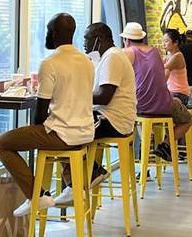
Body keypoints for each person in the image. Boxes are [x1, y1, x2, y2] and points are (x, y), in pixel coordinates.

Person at [0, 13, 95, 217]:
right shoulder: (87, 62)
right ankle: (74, 186)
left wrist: (35, 131)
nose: (46, 35)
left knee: (1, 143)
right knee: (53, 131)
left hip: (63, 135)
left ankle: (37, 195)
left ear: (54, 33)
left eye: (48, 31)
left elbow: (40, 111)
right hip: (86, 133)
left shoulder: (50, 63)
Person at [54, 21, 138, 206]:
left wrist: (72, 94)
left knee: (60, 128)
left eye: (87, 39)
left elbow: (104, 97)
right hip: (108, 116)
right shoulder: (108, 57)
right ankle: (88, 173)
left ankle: (81, 180)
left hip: (113, 120)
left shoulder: (113, 58)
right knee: (58, 124)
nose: (84, 43)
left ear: (98, 40)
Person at [120, 21, 191, 163]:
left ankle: (145, 151)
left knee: (137, 117)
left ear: (126, 40)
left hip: (141, 105)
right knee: (187, 120)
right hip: (164, 103)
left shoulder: (126, 53)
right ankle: (163, 144)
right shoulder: (155, 52)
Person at [162, 28, 191, 105]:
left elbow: (161, 68)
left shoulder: (178, 56)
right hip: (172, 92)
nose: (164, 44)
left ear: (175, 42)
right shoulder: (168, 56)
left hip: (180, 94)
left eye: (166, 41)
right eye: (163, 41)